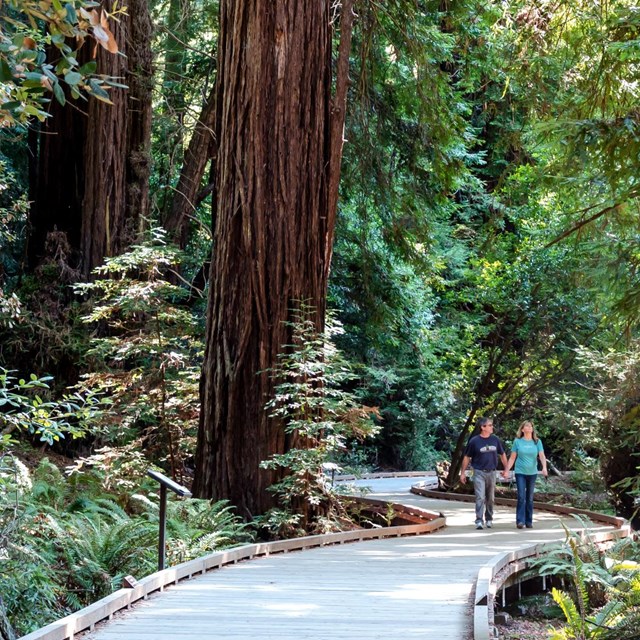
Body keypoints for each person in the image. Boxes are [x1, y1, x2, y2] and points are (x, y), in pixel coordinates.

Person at [459, 417, 509, 530]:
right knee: (480, 497)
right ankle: (479, 520)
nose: (492, 427)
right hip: (478, 472)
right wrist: (463, 473)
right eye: (490, 425)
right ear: (483, 427)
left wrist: (506, 469)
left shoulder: (495, 440)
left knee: (490, 498)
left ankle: (489, 518)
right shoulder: (474, 441)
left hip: (491, 472)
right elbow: (467, 457)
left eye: (492, 425)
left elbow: (502, 454)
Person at [505, 420, 548, 529]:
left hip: (532, 472)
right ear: (523, 429)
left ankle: (529, 521)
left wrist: (544, 467)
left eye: (530, 426)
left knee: (529, 497)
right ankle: (520, 521)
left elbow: (542, 455)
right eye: (527, 426)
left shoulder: (537, 442)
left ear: (532, 429)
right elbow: (512, 457)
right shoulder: (517, 442)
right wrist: (506, 470)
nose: (529, 428)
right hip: (520, 472)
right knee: (521, 496)